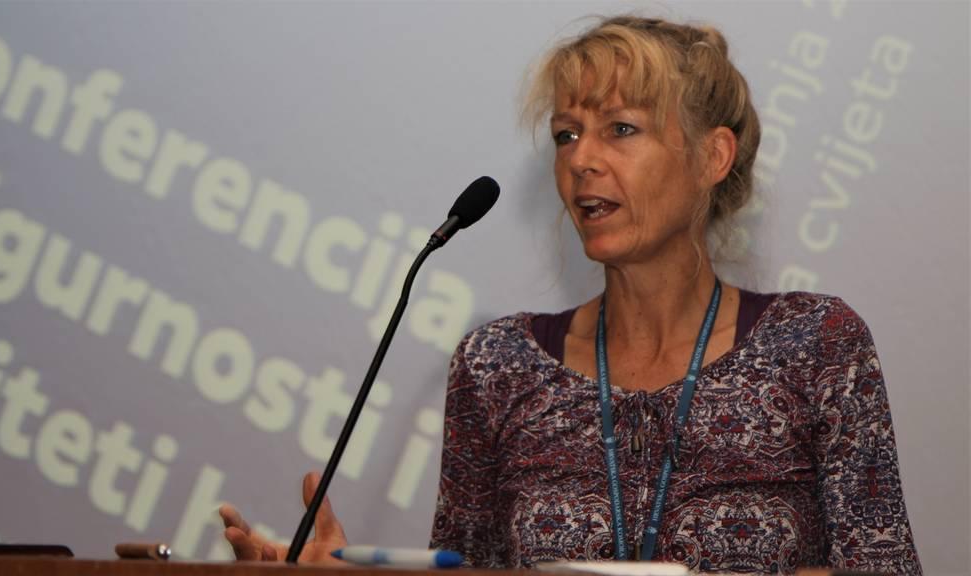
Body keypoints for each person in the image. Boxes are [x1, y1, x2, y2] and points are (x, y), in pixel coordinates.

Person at [222, 14, 922, 574]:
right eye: (566, 134)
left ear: (712, 156)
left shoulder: (817, 346)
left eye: (621, 129)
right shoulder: (497, 366)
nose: (582, 158)